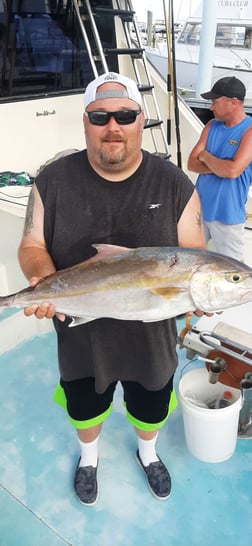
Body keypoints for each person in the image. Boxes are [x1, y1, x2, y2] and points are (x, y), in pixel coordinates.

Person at [18, 71, 205, 506]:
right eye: (100, 116)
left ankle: (148, 452)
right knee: (83, 406)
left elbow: (195, 255)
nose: (113, 125)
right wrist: (41, 281)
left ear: (140, 120)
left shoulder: (175, 183)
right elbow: (31, 244)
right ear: (85, 121)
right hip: (79, 329)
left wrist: (202, 295)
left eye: (124, 114)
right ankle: (88, 458)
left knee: (151, 407)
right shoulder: (53, 180)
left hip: (152, 335)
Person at [187, 76, 252, 261]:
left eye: (215, 102)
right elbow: (192, 164)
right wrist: (222, 165)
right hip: (199, 210)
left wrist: (206, 157)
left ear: (233, 102)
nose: (211, 107)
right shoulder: (211, 125)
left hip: (228, 215)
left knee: (232, 271)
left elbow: (232, 171)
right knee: (192, 262)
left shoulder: (249, 131)